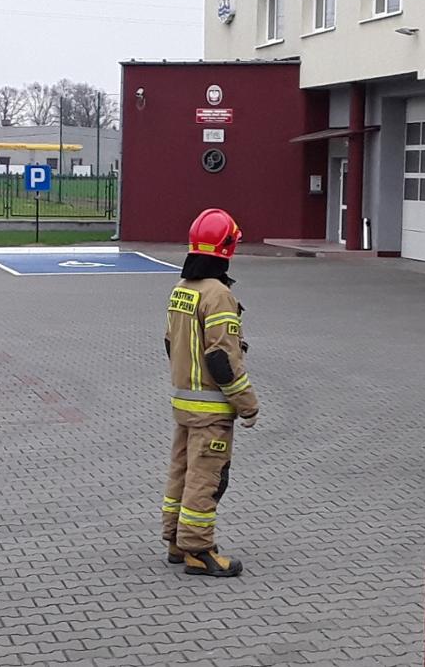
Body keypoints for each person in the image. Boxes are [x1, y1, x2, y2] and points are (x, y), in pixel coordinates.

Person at [162, 208, 260, 577]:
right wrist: (248, 405)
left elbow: (171, 344)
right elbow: (221, 357)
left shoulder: (182, 290)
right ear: (228, 245)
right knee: (207, 478)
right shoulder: (217, 295)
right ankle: (198, 549)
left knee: (181, 473)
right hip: (212, 410)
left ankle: (175, 539)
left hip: (185, 403)